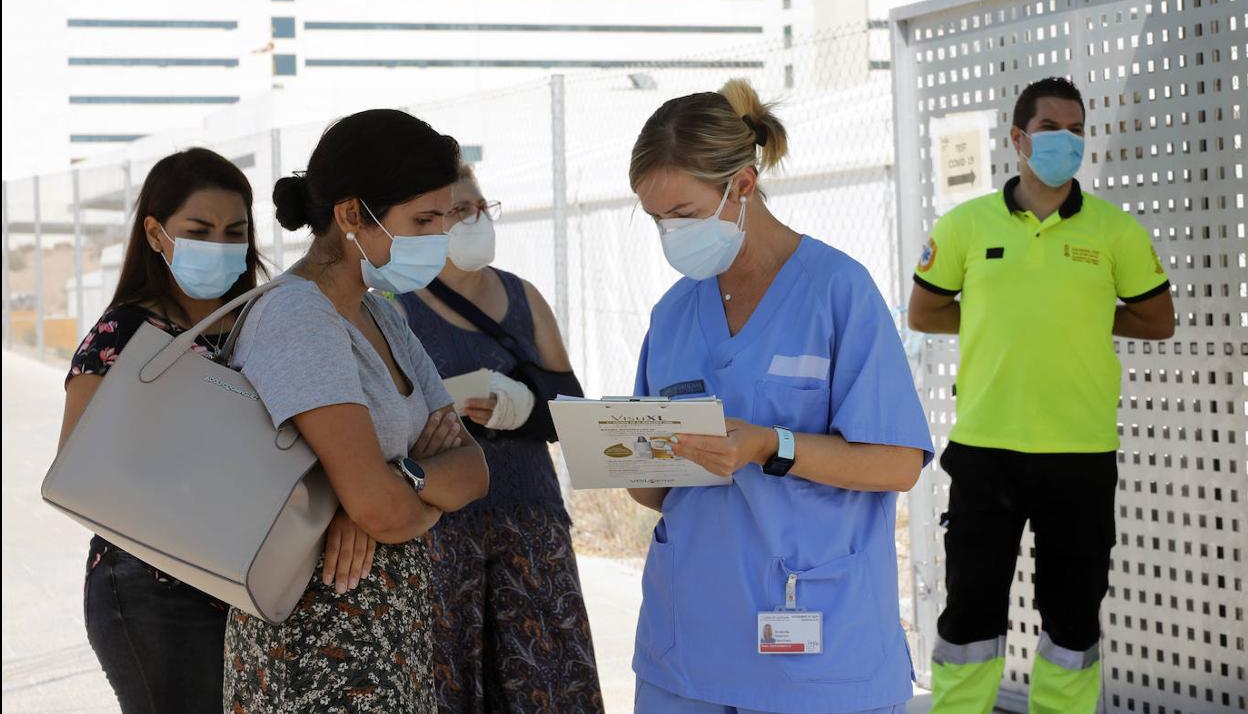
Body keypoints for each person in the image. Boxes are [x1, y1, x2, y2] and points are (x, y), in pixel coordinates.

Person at [627, 79, 934, 714]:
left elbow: (898, 463)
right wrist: (629, 453)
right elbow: (653, 489)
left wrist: (772, 445)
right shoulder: (674, 314)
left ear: (741, 185)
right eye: (656, 219)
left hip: (815, 644)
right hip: (687, 652)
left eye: (682, 216)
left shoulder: (837, 292)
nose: (668, 235)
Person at [908, 77, 1174, 714]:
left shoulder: (1116, 231)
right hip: (984, 451)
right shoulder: (967, 224)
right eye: (1052, 128)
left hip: (1080, 453)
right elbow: (925, 310)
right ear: (1019, 139)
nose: (1067, 140)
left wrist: (1083, 316)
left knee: (1072, 619)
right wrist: (991, 319)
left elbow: (1156, 319)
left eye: (1078, 129)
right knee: (970, 612)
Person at [223, 109, 489, 713]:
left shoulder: (382, 313)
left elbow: (475, 468)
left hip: (387, 634)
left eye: (441, 219)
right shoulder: (299, 317)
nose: (437, 238)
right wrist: (391, 496)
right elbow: (381, 510)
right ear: (350, 215)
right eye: (422, 220)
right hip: (319, 648)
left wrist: (399, 482)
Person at [57, 148, 269, 714]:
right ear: (155, 233)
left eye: (235, 232)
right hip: (152, 591)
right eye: (199, 230)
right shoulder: (125, 331)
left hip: (254, 583)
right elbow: (78, 470)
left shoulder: (265, 320)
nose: (221, 247)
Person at [394, 164, 604, 714]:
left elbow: (571, 410)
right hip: (444, 524)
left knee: (551, 679)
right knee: (449, 679)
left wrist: (527, 409)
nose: (472, 220)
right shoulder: (394, 306)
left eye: (479, 208)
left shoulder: (523, 296)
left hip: (531, 518)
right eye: (456, 211)